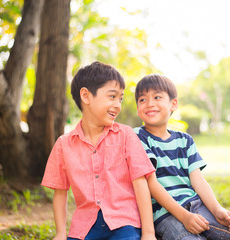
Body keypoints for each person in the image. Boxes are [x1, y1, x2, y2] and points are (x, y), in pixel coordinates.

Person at [134, 74, 230, 240]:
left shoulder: (185, 140)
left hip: (197, 206)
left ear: (173, 104)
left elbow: (198, 180)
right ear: (137, 108)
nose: (149, 103)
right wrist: (185, 217)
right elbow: (152, 183)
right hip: (166, 215)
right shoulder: (137, 137)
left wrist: (217, 210)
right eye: (142, 99)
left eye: (157, 97)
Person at [41, 61, 157, 240]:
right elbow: (60, 191)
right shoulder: (64, 144)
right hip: (85, 227)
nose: (118, 104)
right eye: (112, 97)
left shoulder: (125, 135)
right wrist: (60, 233)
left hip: (123, 223)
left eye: (120, 98)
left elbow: (141, 183)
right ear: (86, 96)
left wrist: (148, 233)